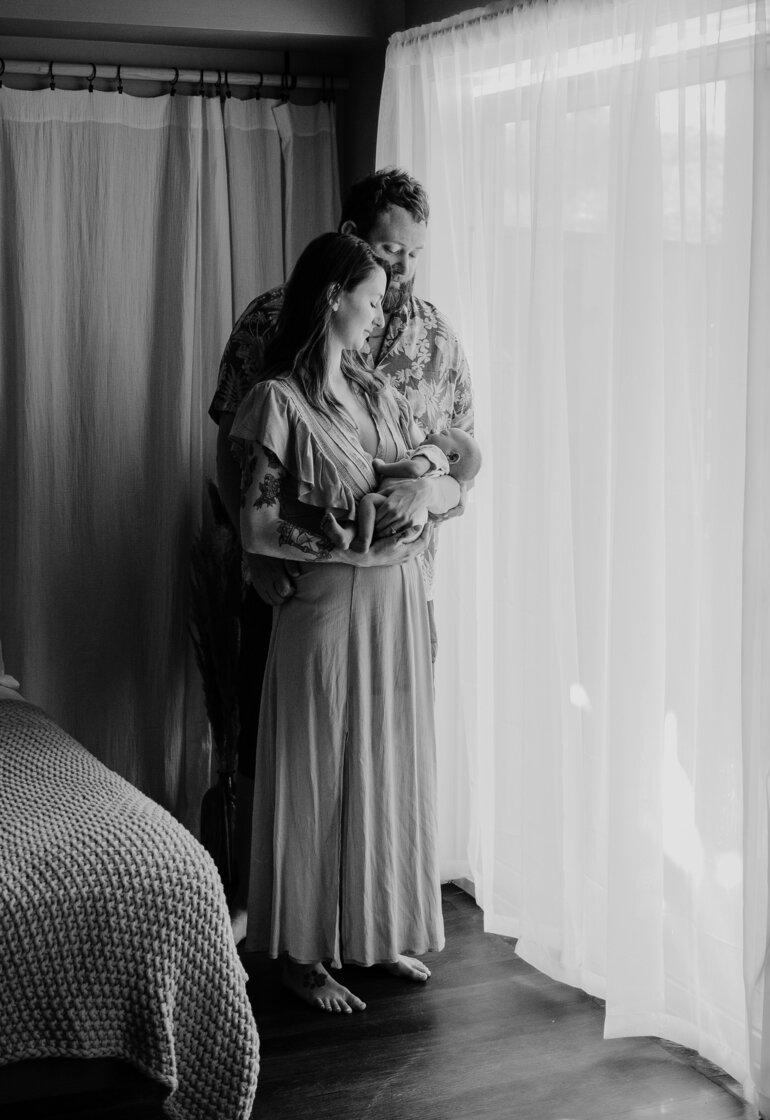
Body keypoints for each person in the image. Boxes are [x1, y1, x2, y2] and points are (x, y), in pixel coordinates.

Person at [209, 167, 475, 942]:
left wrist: (430, 487)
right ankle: (283, 920)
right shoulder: (271, 319)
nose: (404, 270)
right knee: (291, 746)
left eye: (416, 253)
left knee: (387, 757)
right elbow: (236, 446)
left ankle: (368, 921)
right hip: (304, 583)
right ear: (354, 242)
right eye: (392, 250)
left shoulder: (437, 343)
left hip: (402, 585)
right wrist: (255, 552)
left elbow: (462, 452)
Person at [322, 428, 482, 554]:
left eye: (443, 433)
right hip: (414, 526)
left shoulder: (432, 454)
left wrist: (382, 467)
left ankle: (362, 540)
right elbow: (462, 483)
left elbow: (414, 469)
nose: (433, 430)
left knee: (368, 501)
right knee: (365, 515)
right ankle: (348, 536)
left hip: (394, 503)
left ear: (452, 457)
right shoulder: (442, 472)